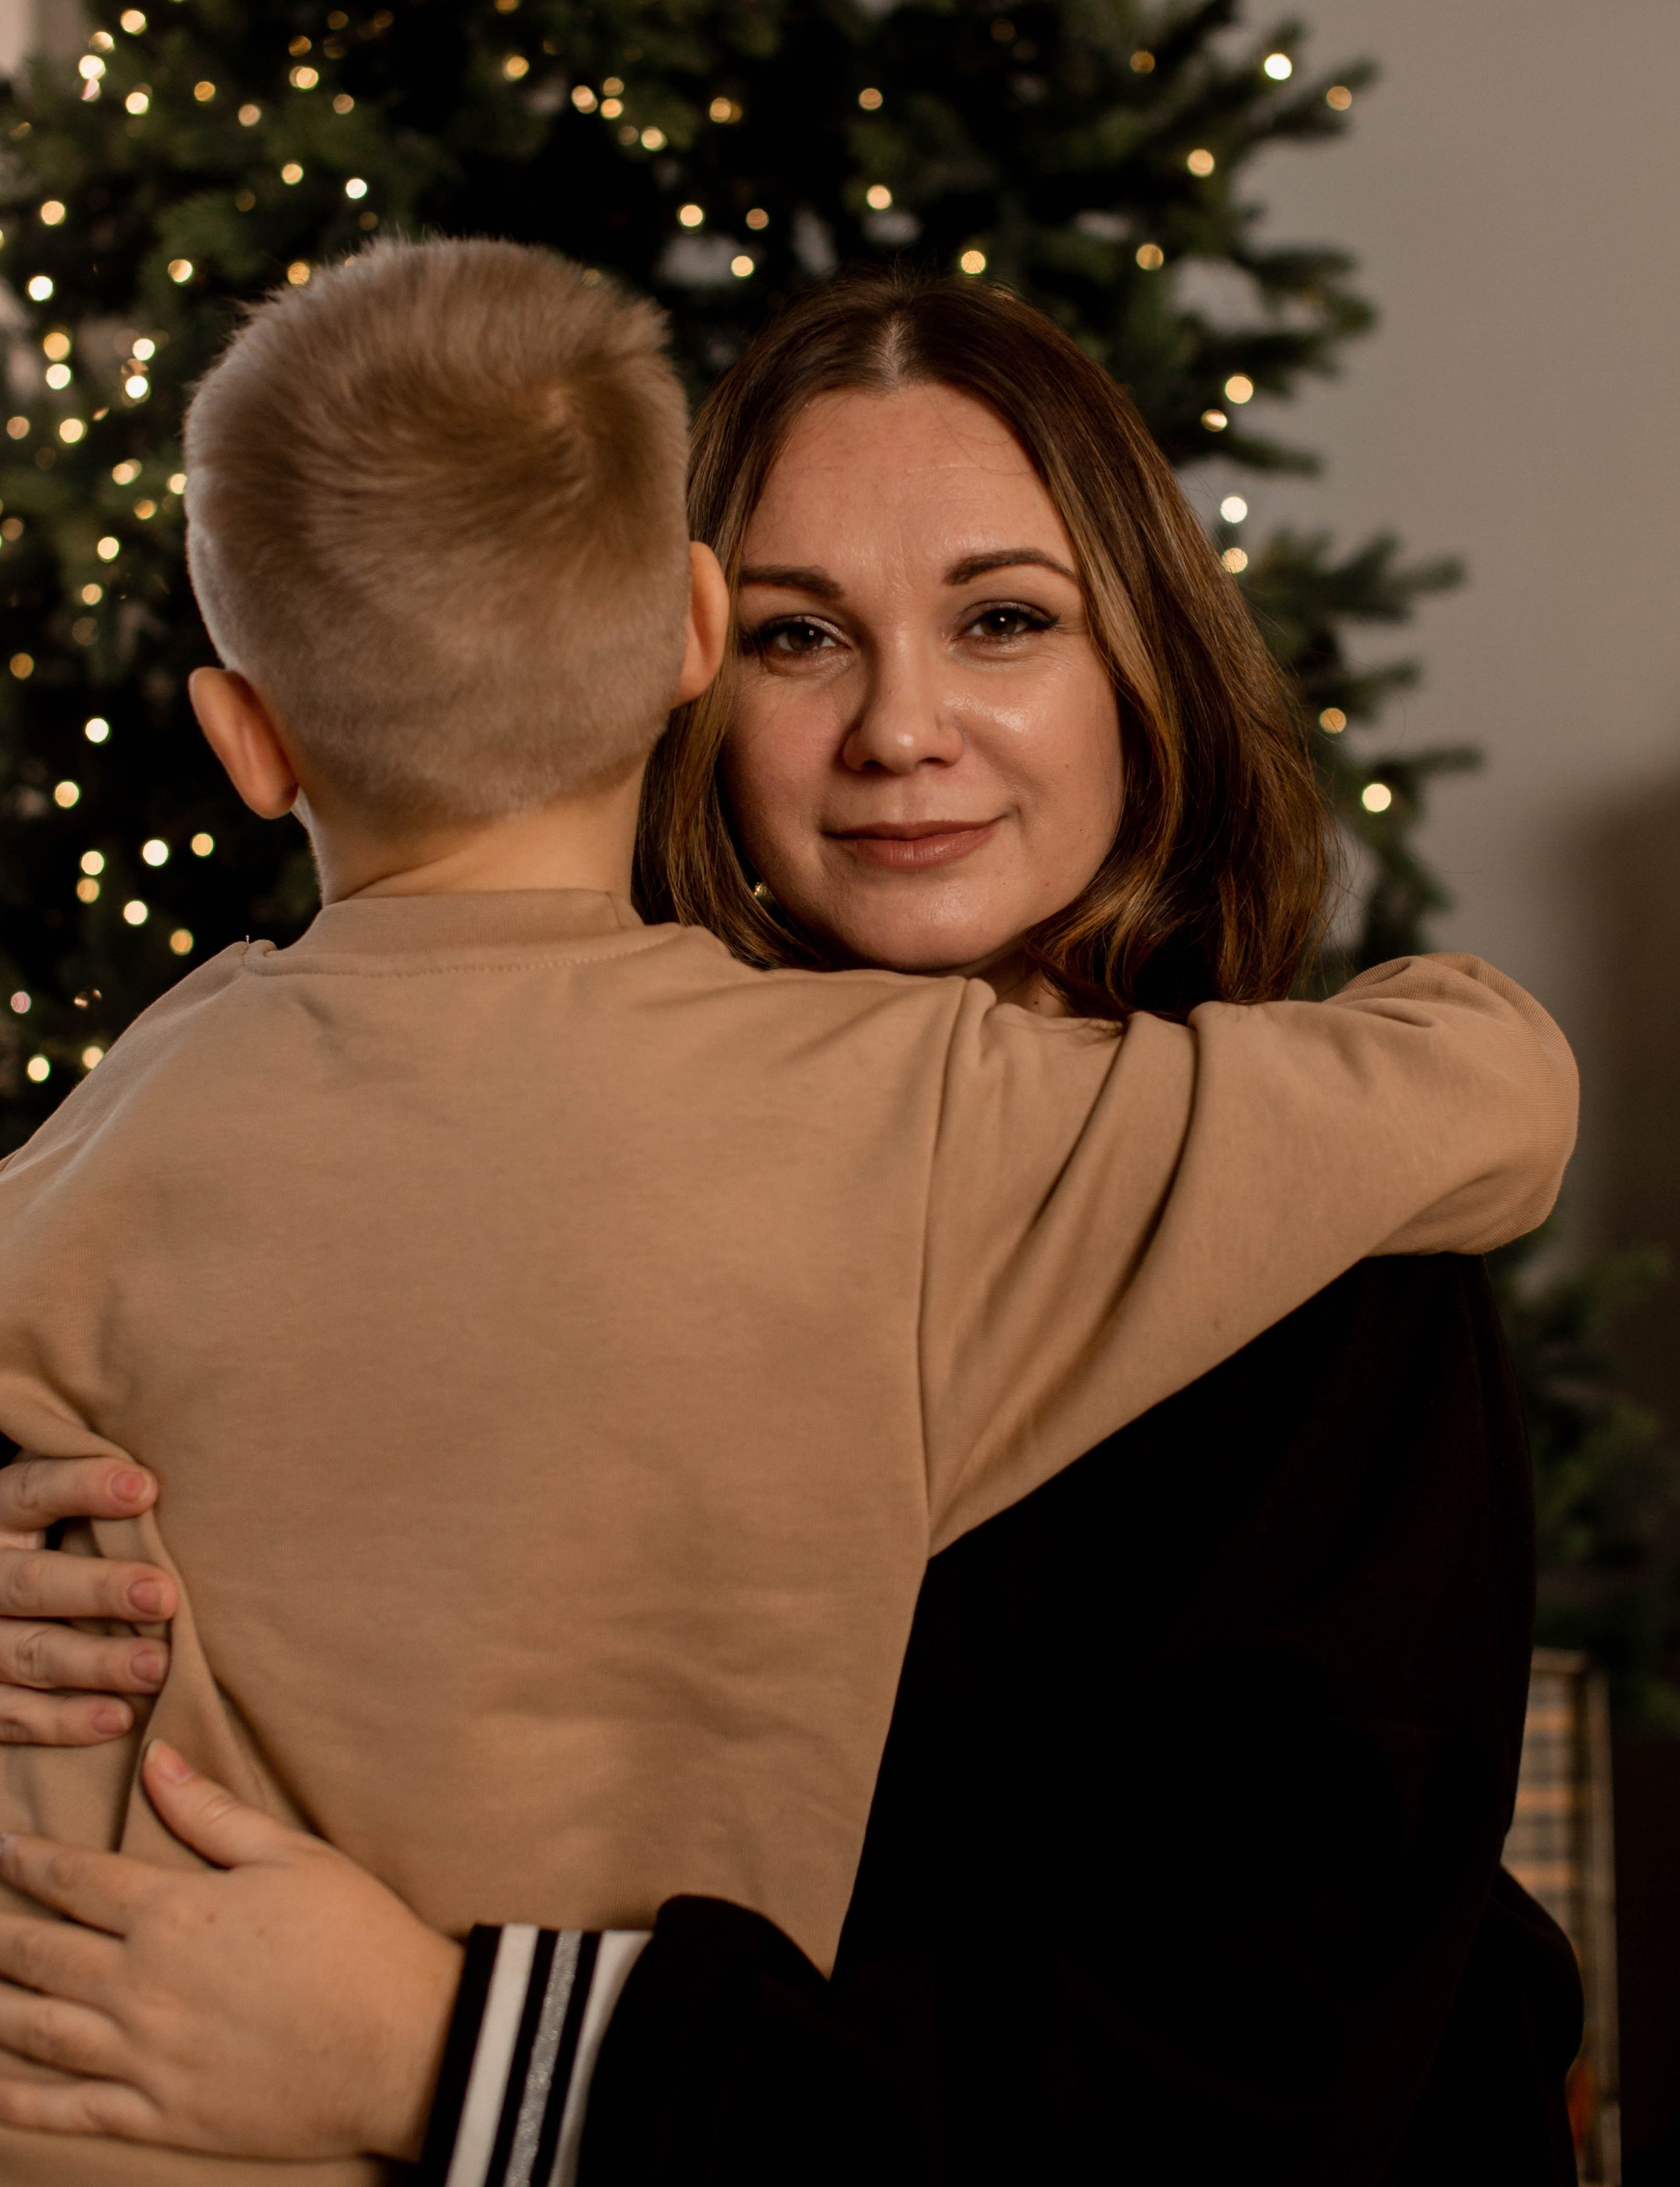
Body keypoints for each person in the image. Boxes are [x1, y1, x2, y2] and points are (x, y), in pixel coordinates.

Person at [0, 265, 1578, 2186]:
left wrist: (450, 2040)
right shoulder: (490, 1173)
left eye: (1003, 619)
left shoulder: (1325, 1259)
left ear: (1142, 662)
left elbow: (1241, 2091)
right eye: (800, 636)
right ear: (683, 654)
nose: (902, 725)